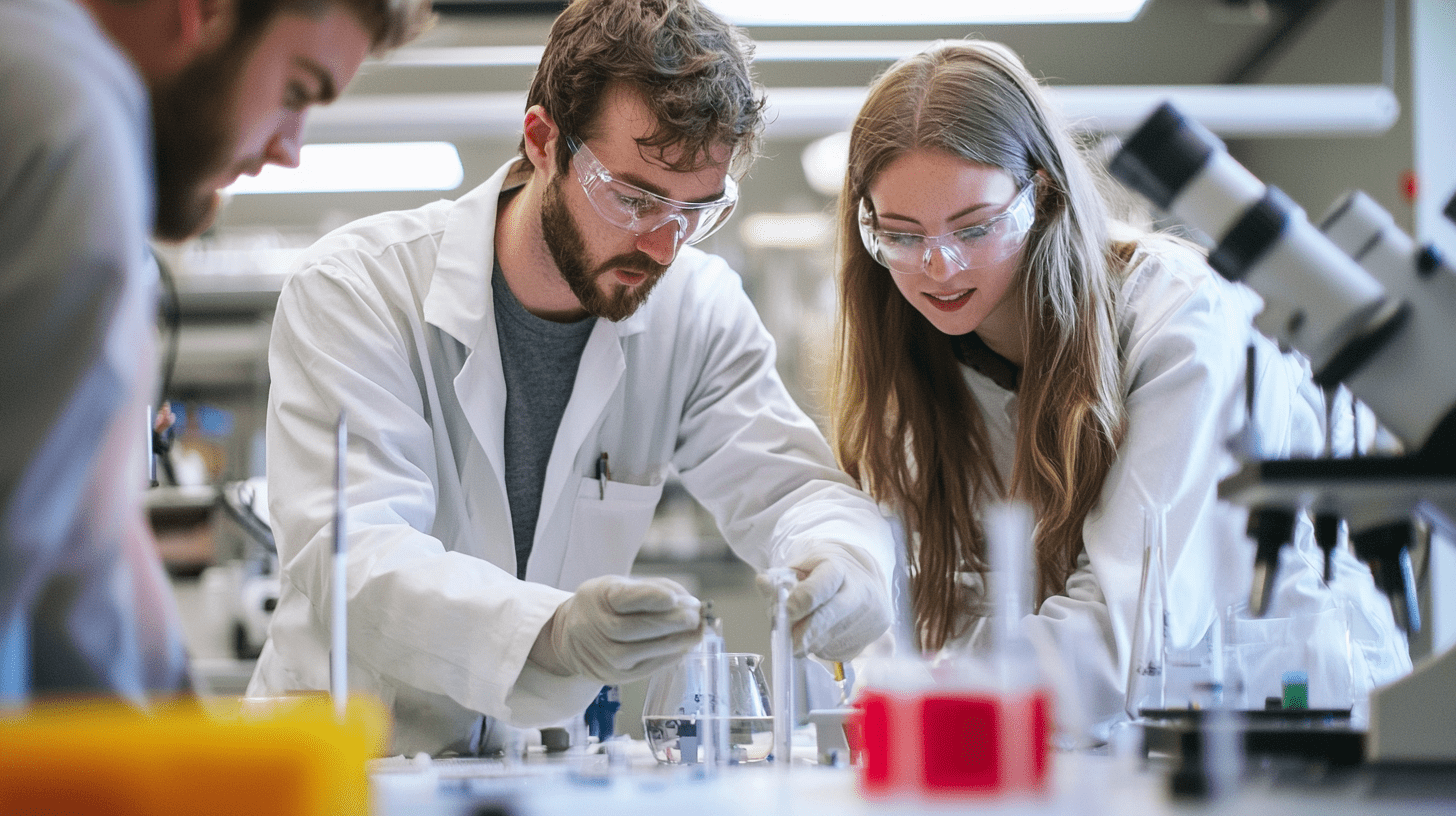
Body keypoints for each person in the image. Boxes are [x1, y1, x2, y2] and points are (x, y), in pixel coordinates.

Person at [248, 0, 895, 756]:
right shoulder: (359, 290)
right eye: (631, 197)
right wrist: (547, 635)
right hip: (346, 763)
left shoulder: (695, 310)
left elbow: (793, 489)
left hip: (531, 766)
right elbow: (354, 554)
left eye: (697, 211)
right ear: (543, 141)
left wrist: (845, 562)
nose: (662, 244)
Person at [830, 40, 1411, 738]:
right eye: (899, 234)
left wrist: (926, 699)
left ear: (1041, 195)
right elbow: (932, 618)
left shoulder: (1178, 316)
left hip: (1284, 723)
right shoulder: (922, 357)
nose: (938, 267)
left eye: (974, 227)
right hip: (1104, 744)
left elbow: (1129, 629)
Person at [0, 0, 432, 703]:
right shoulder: (73, 118)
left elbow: (84, 517)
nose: (288, 148)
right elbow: (50, 567)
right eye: (296, 90)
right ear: (202, 11)